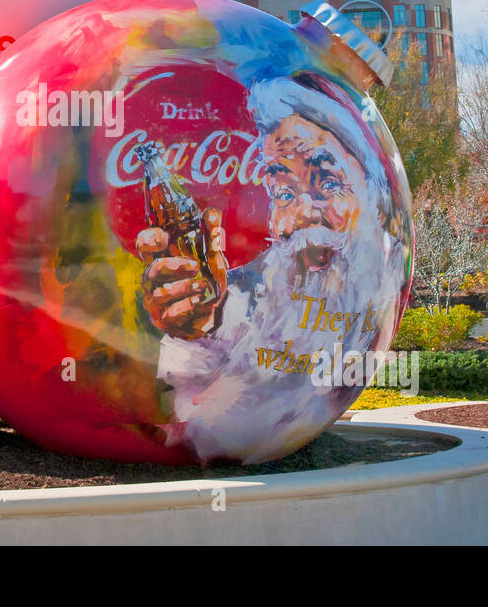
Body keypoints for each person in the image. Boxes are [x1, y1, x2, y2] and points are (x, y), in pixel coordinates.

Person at [136, 75, 405, 463]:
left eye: (327, 184)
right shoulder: (246, 292)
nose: (301, 217)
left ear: (377, 194)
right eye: (283, 194)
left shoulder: (382, 286)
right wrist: (195, 332)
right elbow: (191, 417)